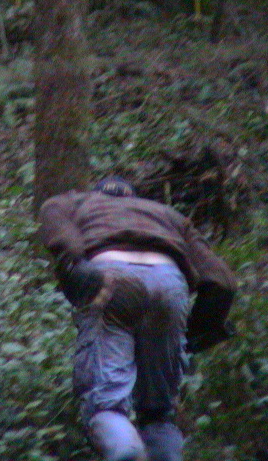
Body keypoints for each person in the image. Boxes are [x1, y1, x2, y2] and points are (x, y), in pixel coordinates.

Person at [38, 177, 237, 461]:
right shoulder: (167, 214)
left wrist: (76, 261)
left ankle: (126, 452)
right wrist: (198, 331)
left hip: (111, 277)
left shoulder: (77, 201)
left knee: (106, 404)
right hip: (169, 282)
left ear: (97, 194)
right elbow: (223, 282)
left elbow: (50, 209)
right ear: (133, 198)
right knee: (158, 413)